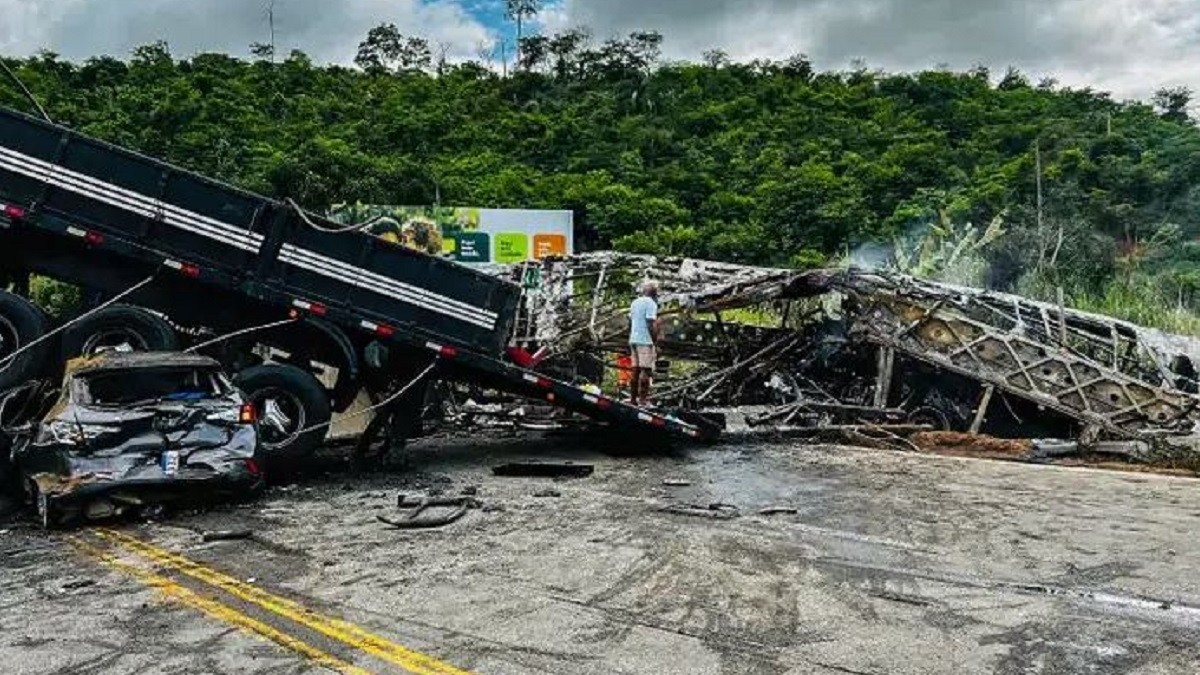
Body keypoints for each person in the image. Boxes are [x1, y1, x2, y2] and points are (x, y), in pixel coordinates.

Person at [628, 280, 660, 406]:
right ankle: (643, 401)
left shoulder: (635, 302)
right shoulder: (651, 303)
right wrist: (654, 340)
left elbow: (629, 321)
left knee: (635, 370)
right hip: (645, 340)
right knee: (645, 371)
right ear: (654, 293)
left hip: (633, 339)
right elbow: (650, 322)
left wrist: (631, 335)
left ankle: (632, 400)